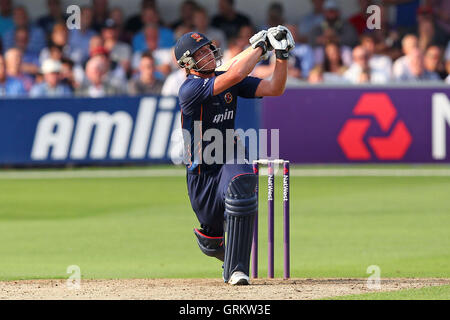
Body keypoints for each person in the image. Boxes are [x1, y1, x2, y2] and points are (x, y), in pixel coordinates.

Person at [174, 27, 294, 285]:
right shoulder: (189, 89)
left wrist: (281, 55)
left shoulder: (229, 79)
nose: (208, 53)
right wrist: (262, 46)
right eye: (201, 52)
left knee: (241, 182)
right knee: (212, 237)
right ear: (187, 62)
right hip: (201, 174)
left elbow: (275, 88)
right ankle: (220, 249)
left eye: (208, 48)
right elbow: (238, 71)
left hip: (228, 152)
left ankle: (237, 270)